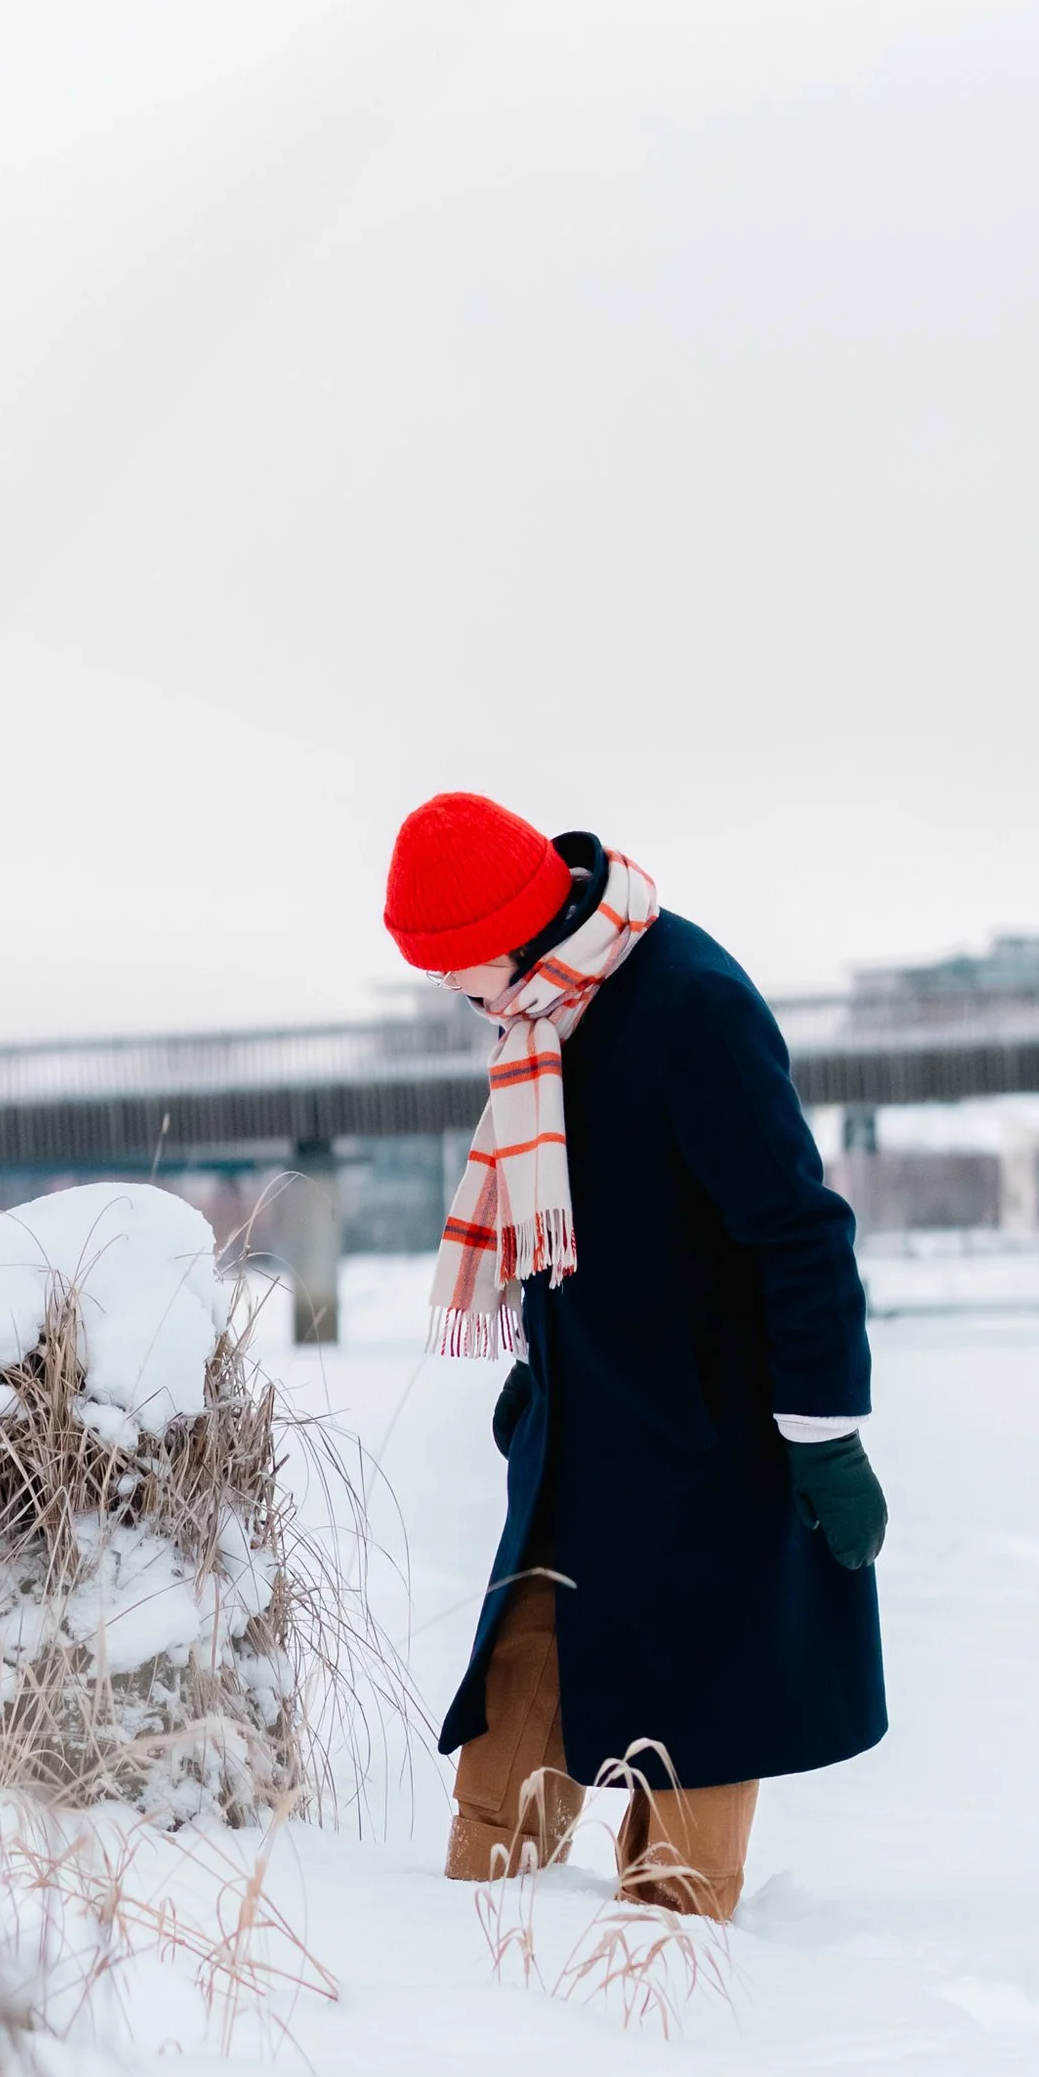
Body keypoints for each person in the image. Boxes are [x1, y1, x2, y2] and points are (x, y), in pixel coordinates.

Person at [384, 790, 887, 1922]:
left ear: (505, 939)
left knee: (693, 1738)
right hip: (592, 1425)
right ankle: (467, 1954)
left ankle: (672, 1997)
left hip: (710, 1437)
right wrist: (542, 1355)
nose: (452, 998)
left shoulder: (690, 1004)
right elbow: (592, 1220)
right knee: (517, 1687)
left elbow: (797, 1230)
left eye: (451, 969)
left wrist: (825, 1435)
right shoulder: (545, 1017)